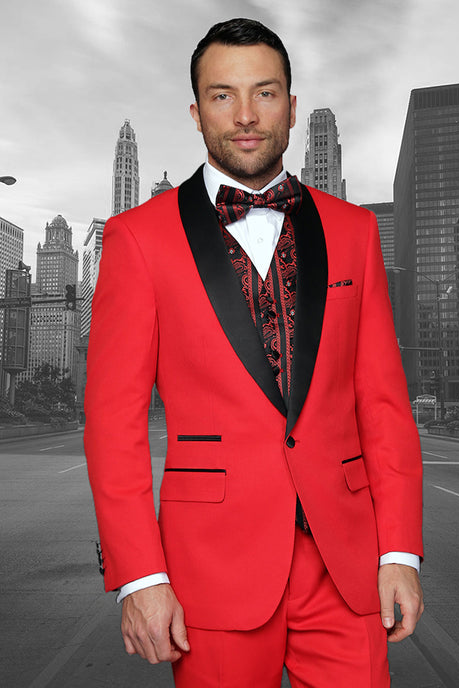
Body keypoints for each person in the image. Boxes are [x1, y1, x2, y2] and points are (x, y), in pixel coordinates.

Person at [84, 17, 424, 688]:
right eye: (222, 95)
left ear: (292, 107)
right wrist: (140, 577)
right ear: (195, 110)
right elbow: (113, 424)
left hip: (345, 563)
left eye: (264, 93)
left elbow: (381, 401)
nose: (244, 115)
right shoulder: (138, 239)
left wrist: (399, 550)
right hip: (210, 567)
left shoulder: (354, 231)